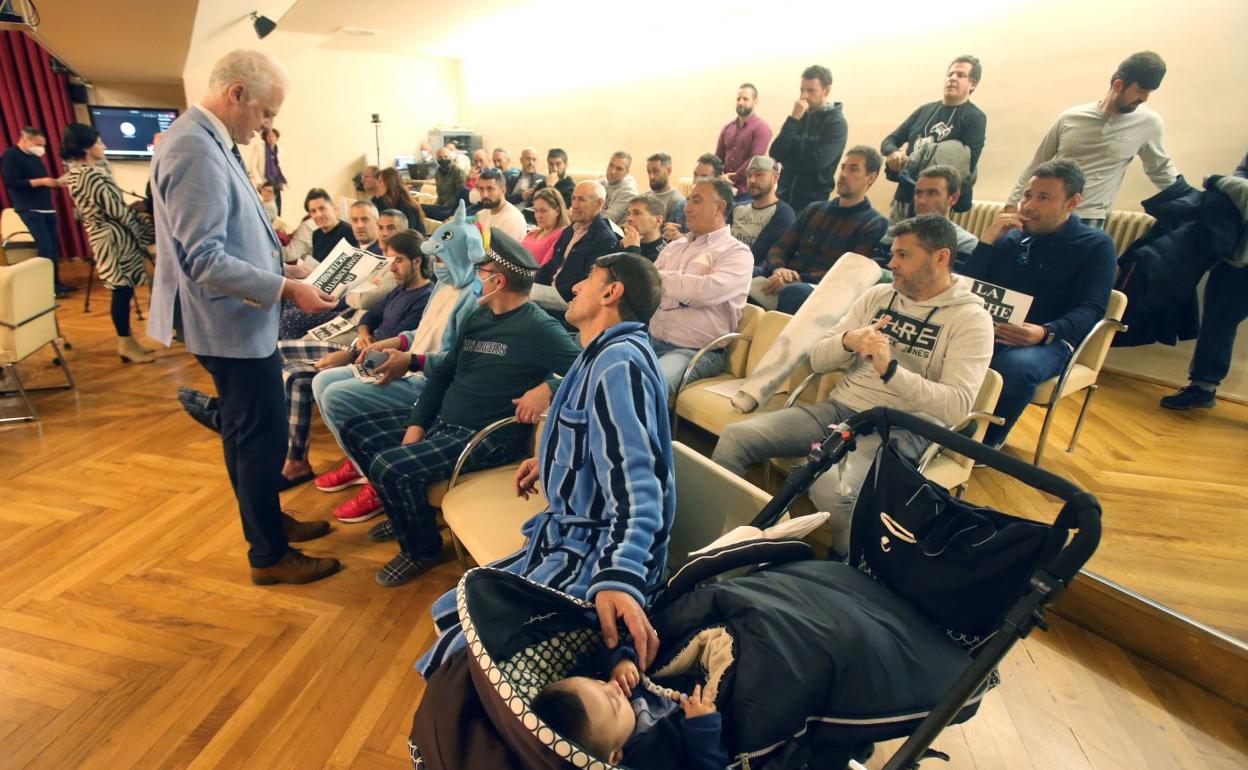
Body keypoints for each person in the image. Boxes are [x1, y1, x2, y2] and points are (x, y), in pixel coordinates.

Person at [417, 251, 674, 682]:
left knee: (465, 660)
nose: (574, 287)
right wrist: (552, 460)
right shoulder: (602, 353)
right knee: (457, 613)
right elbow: (595, 437)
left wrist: (621, 573)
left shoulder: (619, 363)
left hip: (592, 550)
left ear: (611, 293)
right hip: (567, 532)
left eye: (588, 278)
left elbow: (639, 485)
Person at [149, 49, 340, 585]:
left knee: (244, 434)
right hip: (230, 326)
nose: (266, 126)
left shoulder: (209, 138)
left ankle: (267, 525)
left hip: (236, 320)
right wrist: (286, 288)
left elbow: (238, 229)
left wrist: (286, 263)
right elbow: (204, 257)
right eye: (266, 113)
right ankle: (269, 555)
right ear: (237, 94)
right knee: (262, 438)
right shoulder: (194, 148)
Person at [714, 214, 993, 553]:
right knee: (734, 438)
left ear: (941, 257)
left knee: (833, 490)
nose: (892, 264)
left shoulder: (971, 320)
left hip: (902, 427)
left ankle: (844, 567)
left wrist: (891, 371)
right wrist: (847, 341)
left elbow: (957, 406)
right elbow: (818, 359)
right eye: (893, 254)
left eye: (904, 255)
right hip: (840, 410)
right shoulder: (877, 296)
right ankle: (726, 544)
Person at [338, 229, 582, 586]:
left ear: (499, 280)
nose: (477, 278)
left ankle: (421, 550)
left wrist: (549, 386)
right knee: (357, 431)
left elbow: (593, 367)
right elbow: (446, 372)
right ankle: (409, 513)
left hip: (485, 437)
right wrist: (417, 424)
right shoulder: (478, 316)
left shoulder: (538, 327)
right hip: (445, 422)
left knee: (389, 466)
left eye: (482, 273)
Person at [310, 202, 484, 521]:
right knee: (320, 380)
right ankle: (364, 467)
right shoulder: (446, 285)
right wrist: (398, 340)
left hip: (428, 379)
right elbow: (425, 329)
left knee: (336, 396)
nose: (437, 264)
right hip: (411, 361)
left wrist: (410, 359)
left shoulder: (473, 298)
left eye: (441, 257)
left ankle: (378, 484)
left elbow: (455, 361)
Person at [961, 159, 1116, 447]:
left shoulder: (1095, 245)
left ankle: (985, 443)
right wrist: (986, 243)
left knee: (1016, 366)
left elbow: (1092, 308)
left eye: (1043, 198)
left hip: (1051, 339)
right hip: (997, 329)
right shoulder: (1011, 240)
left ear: (1072, 203)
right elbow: (967, 288)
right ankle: (942, 422)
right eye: (1027, 196)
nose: (1029, 206)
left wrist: (1046, 332)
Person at [274, 230, 434, 488]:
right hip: (359, 350)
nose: (392, 266)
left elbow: (395, 343)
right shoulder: (399, 289)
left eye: (399, 260)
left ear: (417, 261)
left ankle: (295, 459)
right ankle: (293, 458)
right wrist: (362, 332)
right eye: (389, 259)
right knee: (287, 367)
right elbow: (370, 316)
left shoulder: (424, 297)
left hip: (370, 361)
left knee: (282, 360)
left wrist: (351, 353)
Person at [1006, 51, 1177, 228]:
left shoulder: (1148, 123)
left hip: (1090, 218)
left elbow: (1161, 169)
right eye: (1140, 91)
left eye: (1149, 92)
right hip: (1045, 213)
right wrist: (1012, 205)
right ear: (1118, 85)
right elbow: (1038, 163)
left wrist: (1194, 200)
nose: (1144, 98)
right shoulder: (1069, 118)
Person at [60, 123, 157, 364]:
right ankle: (125, 343)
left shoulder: (76, 174)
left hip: (106, 237)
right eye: (98, 143)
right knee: (121, 290)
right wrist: (148, 234)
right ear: (86, 147)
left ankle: (129, 342)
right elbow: (118, 212)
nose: (103, 147)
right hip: (113, 241)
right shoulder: (90, 176)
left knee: (123, 290)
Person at [751, 146, 889, 313]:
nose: (844, 175)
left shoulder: (873, 223)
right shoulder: (815, 209)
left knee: (794, 292)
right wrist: (778, 269)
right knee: (744, 272)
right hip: (785, 276)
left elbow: (848, 275)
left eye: (853, 170)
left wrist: (797, 278)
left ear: (871, 178)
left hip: (820, 287)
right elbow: (781, 246)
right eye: (843, 168)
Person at [531, 652, 726, 769]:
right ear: (615, 756)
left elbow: (598, 654)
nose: (613, 686)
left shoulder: (616, 689)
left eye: (599, 683)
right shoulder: (651, 760)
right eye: (614, 704)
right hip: (712, 713)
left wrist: (621, 660)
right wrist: (703, 729)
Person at [650, 178, 753, 395]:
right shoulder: (674, 247)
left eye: (696, 201)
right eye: (688, 200)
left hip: (695, 353)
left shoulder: (736, 253)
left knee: (648, 387)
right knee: (598, 364)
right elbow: (647, 287)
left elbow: (701, 292)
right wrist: (682, 291)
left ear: (720, 207)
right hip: (650, 339)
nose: (687, 208)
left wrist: (667, 284)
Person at [1160, 160, 1248, 410]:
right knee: (1218, 323)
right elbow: (1241, 177)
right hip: (1239, 259)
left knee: (1219, 323)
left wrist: (1215, 180)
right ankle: (1203, 388)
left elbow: (1237, 186)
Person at [881, 55, 986, 216]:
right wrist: (893, 153)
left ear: (972, 84)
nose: (952, 79)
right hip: (904, 197)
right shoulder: (925, 110)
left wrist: (913, 164)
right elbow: (889, 141)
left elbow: (967, 165)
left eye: (960, 75)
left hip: (936, 203)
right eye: (950, 74)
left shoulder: (975, 117)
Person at [3, 126, 73, 295]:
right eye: (38, 144)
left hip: (47, 207)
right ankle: (48, 286)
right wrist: (42, 182)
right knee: (46, 247)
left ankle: (56, 283)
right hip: (30, 208)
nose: (41, 149)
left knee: (54, 248)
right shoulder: (10, 156)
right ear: (25, 140)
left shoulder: (34, 157)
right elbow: (12, 182)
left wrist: (54, 184)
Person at [769, 64, 848, 213]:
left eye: (811, 91)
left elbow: (816, 163)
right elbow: (775, 152)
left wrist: (786, 161)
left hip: (812, 202)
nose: (804, 96)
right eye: (802, 90)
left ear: (827, 90)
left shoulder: (837, 123)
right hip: (783, 195)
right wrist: (793, 119)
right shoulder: (798, 117)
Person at [279, 191, 357, 340]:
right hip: (317, 286)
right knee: (281, 300)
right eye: (313, 211)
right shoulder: (316, 235)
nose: (318, 215)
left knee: (288, 316)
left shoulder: (348, 232)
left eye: (322, 208)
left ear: (334, 208)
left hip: (336, 297)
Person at [534, 180, 621, 308]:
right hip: (548, 299)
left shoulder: (605, 240)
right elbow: (553, 265)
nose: (574, 205)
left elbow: (589, 283)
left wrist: (550, 297)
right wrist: (533, 287)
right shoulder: (570, 230)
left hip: (569, 306)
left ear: (599, 203)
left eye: (581, 200)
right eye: (573, 198)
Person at [874, 165, 978, 266]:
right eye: (918, 193)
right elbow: (875, 275)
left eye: (932, 193)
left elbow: (954, 282)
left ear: (953, 198)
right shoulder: (893, 234)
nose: (922, 201)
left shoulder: (965, 244)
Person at [730, 156, 796, 271]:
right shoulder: (737, 208)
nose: (752, 180)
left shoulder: (783, 214)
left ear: (775, 177)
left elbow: (760, 255)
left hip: (751, 271)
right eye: (749, 175)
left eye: (759, 174)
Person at [716, 83, 774, 198]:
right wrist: (721, 176)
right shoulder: (727, 128)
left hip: (746, 192)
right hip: (724, 190)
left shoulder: (762, 128)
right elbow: (718, 158)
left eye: (745, 99)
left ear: (755, 102)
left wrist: (731, 177)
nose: (741, 102)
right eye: (738, 99)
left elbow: (754, 160)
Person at [468, 167, 526, 240]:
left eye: (490, 189)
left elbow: (498, 251)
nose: (484, 194)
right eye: (481, 189)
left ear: (503, 190)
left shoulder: (512, 219)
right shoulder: (480, 215)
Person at [522, 186, 570, 267]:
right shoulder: (534, 232)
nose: (538, 216)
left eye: (543, 211)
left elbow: (545, 268)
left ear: (557, 211)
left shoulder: (561, 234)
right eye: (536, 211)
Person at [375, 166, 428, 235]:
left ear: (390, 183)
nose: (377, 185)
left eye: (380, 182)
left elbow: (407, 233)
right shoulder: (383, 202)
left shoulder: (404, 206)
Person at [423, 145, 467, 219]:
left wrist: (444, 206)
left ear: (450, 158)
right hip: (441, 207)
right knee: (421, 208)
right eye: (440, 158)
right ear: (436, 159)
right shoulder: (438, 173)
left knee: (433, 213)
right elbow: (440, 194)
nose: (443, 159)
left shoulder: (458, 171)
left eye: (445, 157)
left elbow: (460, 194)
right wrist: (437, 205)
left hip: (453, 209)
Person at [621, 194, 667, 261]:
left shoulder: (665, 254)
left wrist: (632, 249)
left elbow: (633, 271)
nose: (629, 218)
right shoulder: (624, 242)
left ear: (658, 221)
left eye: (637, 213)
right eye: (628, 214)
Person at [645, 153, 686, 226]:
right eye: (649, 172)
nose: (651, 176)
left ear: (669, 170)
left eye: (656, 171)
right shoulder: (645, 197)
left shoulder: (677, 202)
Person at [601, 151, 640, 225]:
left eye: (619, 169)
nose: (613, 171)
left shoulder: (629, 192)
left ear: (627, 172)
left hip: (611, 233)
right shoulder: (602, 183)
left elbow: (608, 219)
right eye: (611, 165)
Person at [261, 127, 287, 215]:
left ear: (276, 137)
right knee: (263, 203)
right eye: (268, 136)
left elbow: (278, 166)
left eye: (273, 136)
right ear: (265, 138)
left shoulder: (279, 150)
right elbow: (253, 166)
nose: (271, 138)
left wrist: (282, 182)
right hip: (264, 180)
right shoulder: (260, 148)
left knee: (277, 203)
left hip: (275, 181)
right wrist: (258, 182)